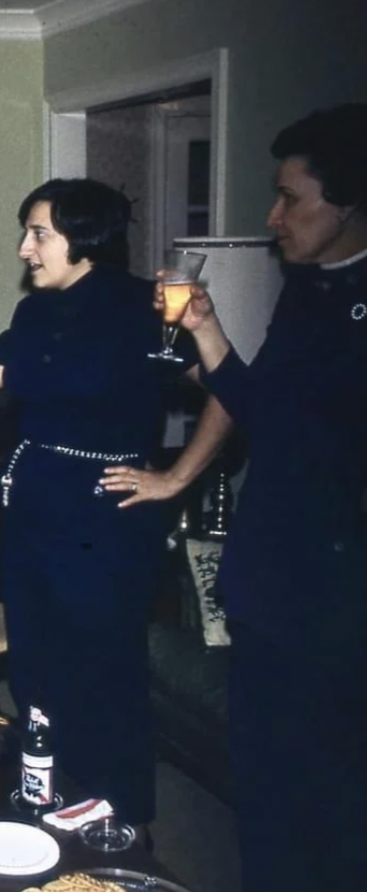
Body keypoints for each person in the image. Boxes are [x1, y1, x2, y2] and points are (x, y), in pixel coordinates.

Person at [0, 178, 231, 830]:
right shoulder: (36, 314)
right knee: (35, 666)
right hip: (34, 509)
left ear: (83, 238)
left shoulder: (148, 306)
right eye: (27, 232)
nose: (25, 248)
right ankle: (46, 792)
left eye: (40, 233)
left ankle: (119, 817)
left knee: (103, 670)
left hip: (107, 516)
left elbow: (231, 392)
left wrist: (175, 479)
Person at [174, 103, 367, 889]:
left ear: (351, 202)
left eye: (293, 199)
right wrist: (211, 331)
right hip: (267, 586)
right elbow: (265, 415)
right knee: (266, 794)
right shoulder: (307, 288)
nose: (272, 216)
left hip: (334, 604)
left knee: (331, 804)